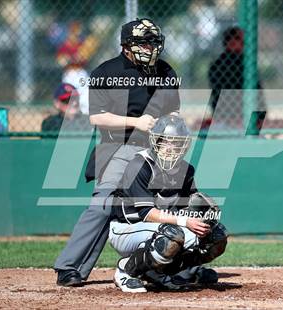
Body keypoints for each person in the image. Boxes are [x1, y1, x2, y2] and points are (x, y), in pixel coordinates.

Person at [54, 18, 180, 286]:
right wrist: (136, 122)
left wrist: (169, 125)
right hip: (117, 146)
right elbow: (96, 118)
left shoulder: (166, 71)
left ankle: (173, 268)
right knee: (103, 206)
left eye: (154, 42)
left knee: (170, 203)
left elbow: (173, 110)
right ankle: (69, 267)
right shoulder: (106, 72)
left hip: (156, 149)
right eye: (144, 42)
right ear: (126, 46)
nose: (151, 47)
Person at [108, 115, 227, 292]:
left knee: (216, 235)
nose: (172, 147)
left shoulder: (186, 169)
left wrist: (203, 218)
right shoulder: (141, 164)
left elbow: (188, 208)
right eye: (167, 141)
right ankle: (126, 270)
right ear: (156, 141)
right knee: (172, 235)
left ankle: (174, 271)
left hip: (163, 227)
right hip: (127, 228)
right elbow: (146, 213)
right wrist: (185, 222)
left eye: (177, 143)